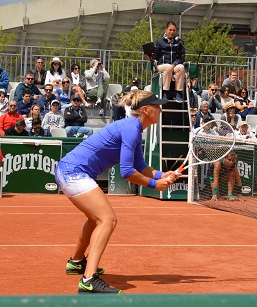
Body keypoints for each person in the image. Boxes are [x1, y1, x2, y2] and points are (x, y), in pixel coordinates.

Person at [54, 90, 178, 294]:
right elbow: (127, 171)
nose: (161, 109)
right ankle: (89, 280)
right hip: (73, 172)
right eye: (157, 106)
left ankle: (76, 262)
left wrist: (163, 175)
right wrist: (155, 185)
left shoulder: (134, 128)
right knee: (107, 219)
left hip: (68, 170)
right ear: (146, 110)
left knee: (95, 219)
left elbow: (139, 165)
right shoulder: (131, 128)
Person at [154, 21, 186, 102]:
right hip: (162, 65)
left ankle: (178, 92)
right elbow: (156, 55)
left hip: (174, 65)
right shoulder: (160, 41)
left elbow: (182, 57)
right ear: (166, 30)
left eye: (174, 30)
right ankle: (165, 92)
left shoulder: (179, 42)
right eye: (170, 30)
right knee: (168, 67)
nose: (172, 32)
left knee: (181, 67)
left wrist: (175, 64)